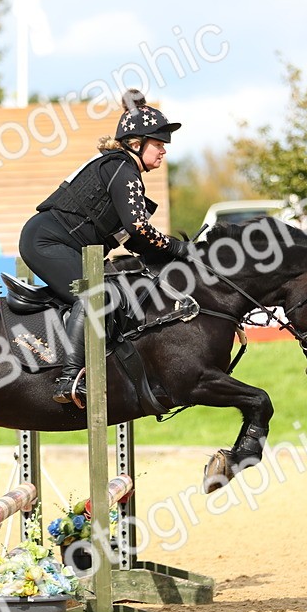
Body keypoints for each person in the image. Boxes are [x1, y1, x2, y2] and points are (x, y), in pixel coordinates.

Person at [19, 89, 194, 405]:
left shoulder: (122, 168)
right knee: (96, 296)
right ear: (136, 144)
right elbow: (139, 227)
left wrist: (171, 252)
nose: (164, 151)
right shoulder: (123, 169)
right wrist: (177, 248)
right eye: (158, 144)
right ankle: (69, 377)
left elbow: (137, 240)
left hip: (59, 242)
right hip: (46, 241)